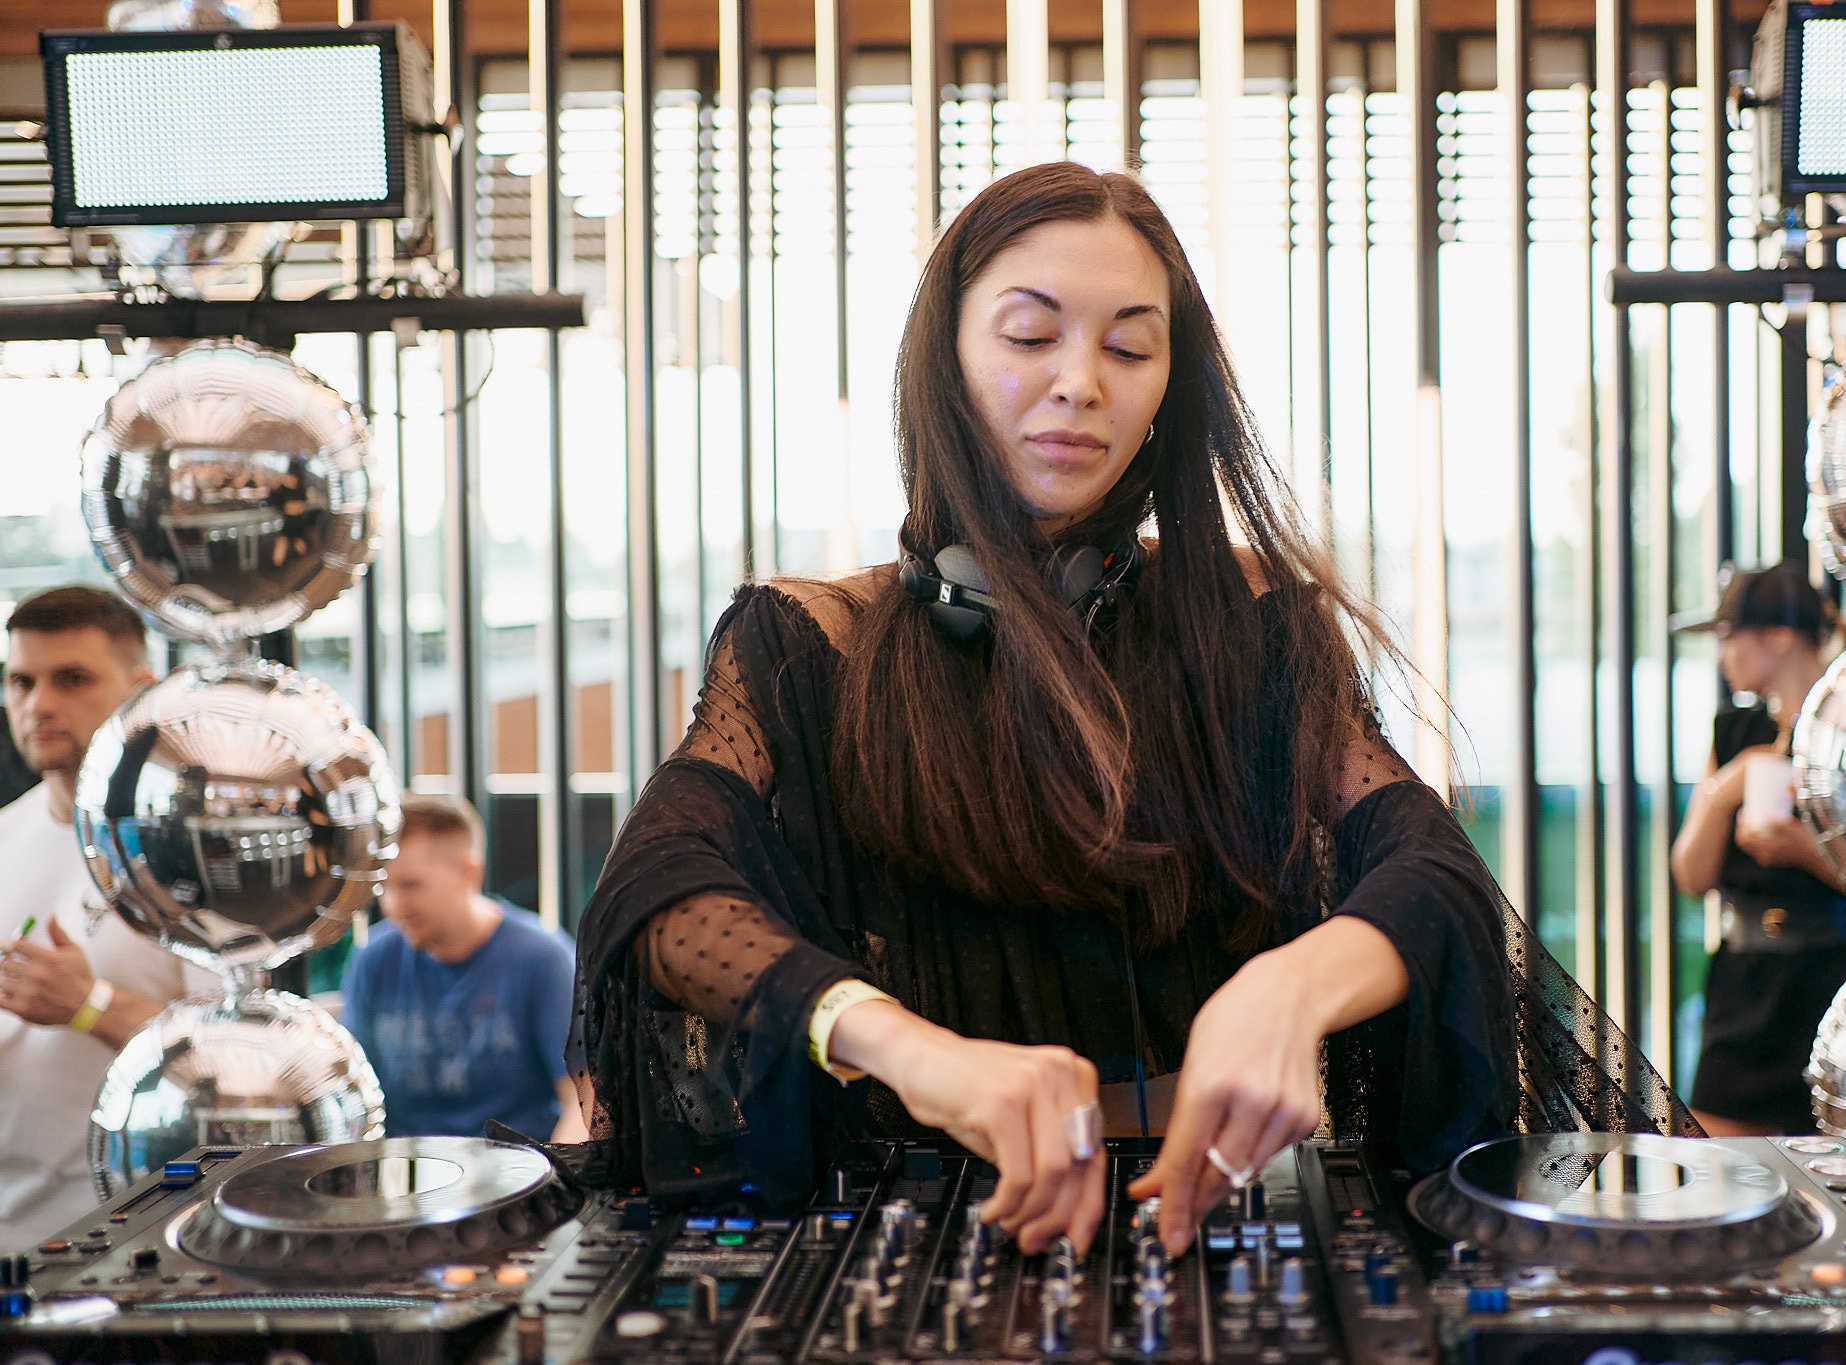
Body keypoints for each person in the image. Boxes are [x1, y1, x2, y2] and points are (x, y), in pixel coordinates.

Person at [571, 162, 1691, 1261]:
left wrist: (1292, 987)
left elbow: (1431, 871)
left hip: (1208, 1209)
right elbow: (660, 889)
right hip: (917, 1213)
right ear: (943, 361)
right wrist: (906, 1048)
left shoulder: (1255, 620)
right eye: (1029, 335)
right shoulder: (808, 639)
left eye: (1129, 347)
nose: (1080, 383)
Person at [0, 585, 217, 1252]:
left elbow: (232, 1066)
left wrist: (90, 1004)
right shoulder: (4, 838)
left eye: (72, 679)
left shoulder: (191, 851)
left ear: (139, 691)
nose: (38, 704)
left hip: (149, 1232)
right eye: (21, 681)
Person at [1670, 561, 1846, 1137]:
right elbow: (1690, 875)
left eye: (1727, 637)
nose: (1722, 656)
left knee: (1836, 1161)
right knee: (1724, 1160)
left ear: (1780, 637)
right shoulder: (1735, 732)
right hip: (1745, 977)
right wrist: (1725, 790)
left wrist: (1804, 851)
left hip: (1833, 974)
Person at [343, 792, 584, 1143]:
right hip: (404, 1170)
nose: (393, 905)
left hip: (519, 1169)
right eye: (384, 886)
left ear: (468, 873)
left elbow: (583, 1102)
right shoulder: (372, 959)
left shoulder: (543, 960)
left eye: (410, 885)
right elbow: (354, 1095)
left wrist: (556, 1174)